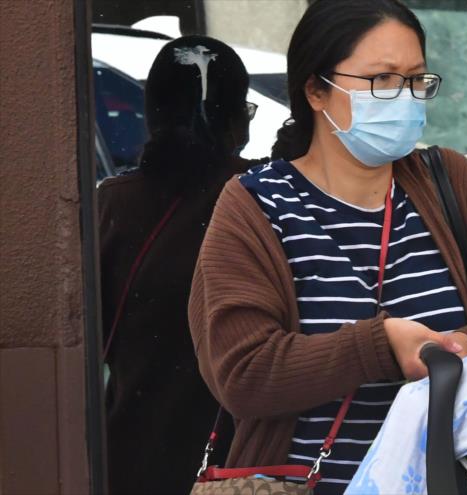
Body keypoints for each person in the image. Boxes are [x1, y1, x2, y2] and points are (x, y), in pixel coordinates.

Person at [188, 1, 467, 493]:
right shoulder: (256, 206)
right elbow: (243, 374)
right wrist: (378, 347)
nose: (403, 98)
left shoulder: (450, 182)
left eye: (416, 80)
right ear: (317, 90)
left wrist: (463, 347)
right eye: (381, 80)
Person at [99, 35, 264, 494]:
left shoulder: (109, 207)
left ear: (152, 117)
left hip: (128, 458)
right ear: (237, 123)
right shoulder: (263, 196)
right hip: (237, 467)